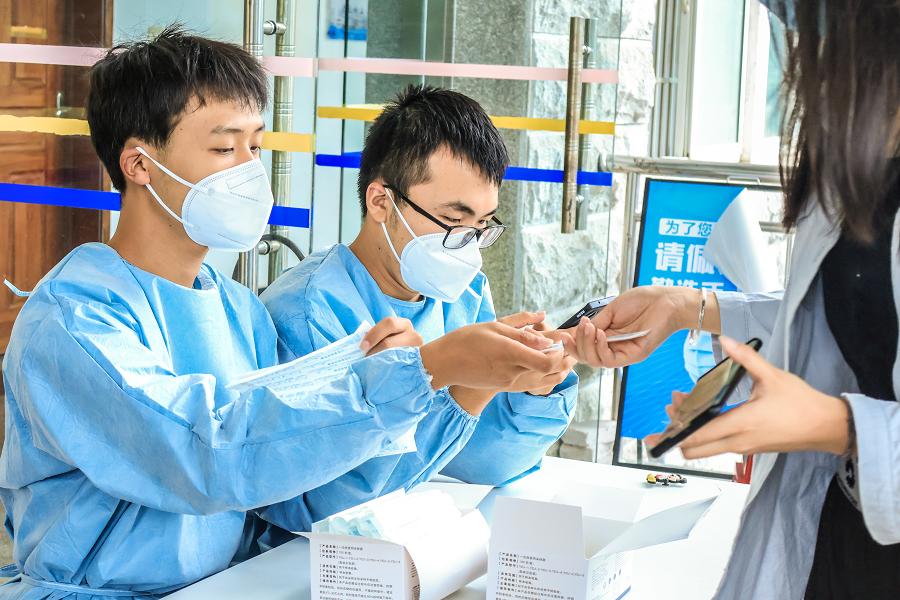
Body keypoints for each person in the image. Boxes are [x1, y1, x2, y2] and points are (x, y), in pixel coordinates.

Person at [0, 28, 568, 599]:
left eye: (256, 146)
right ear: (140, 164)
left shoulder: (239, 311)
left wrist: (437, 386)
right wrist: (422, 373)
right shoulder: (75, 319)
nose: (250, 171)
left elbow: (290, 486)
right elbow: (204, 455)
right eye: (225, 149)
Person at [570, 1, 900, 597]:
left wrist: (837, 425)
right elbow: (844, 318)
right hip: (837, 535)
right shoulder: (864, 158)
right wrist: (686, 307)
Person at [258, 85, 578, 534]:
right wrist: (454, 381)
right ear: (381, 202)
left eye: (482, 225)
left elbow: (482, 461)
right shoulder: (308, 313)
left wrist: (534, 386)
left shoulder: (462, 294)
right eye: (453, 220)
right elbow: (323, 506)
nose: (468, 247)